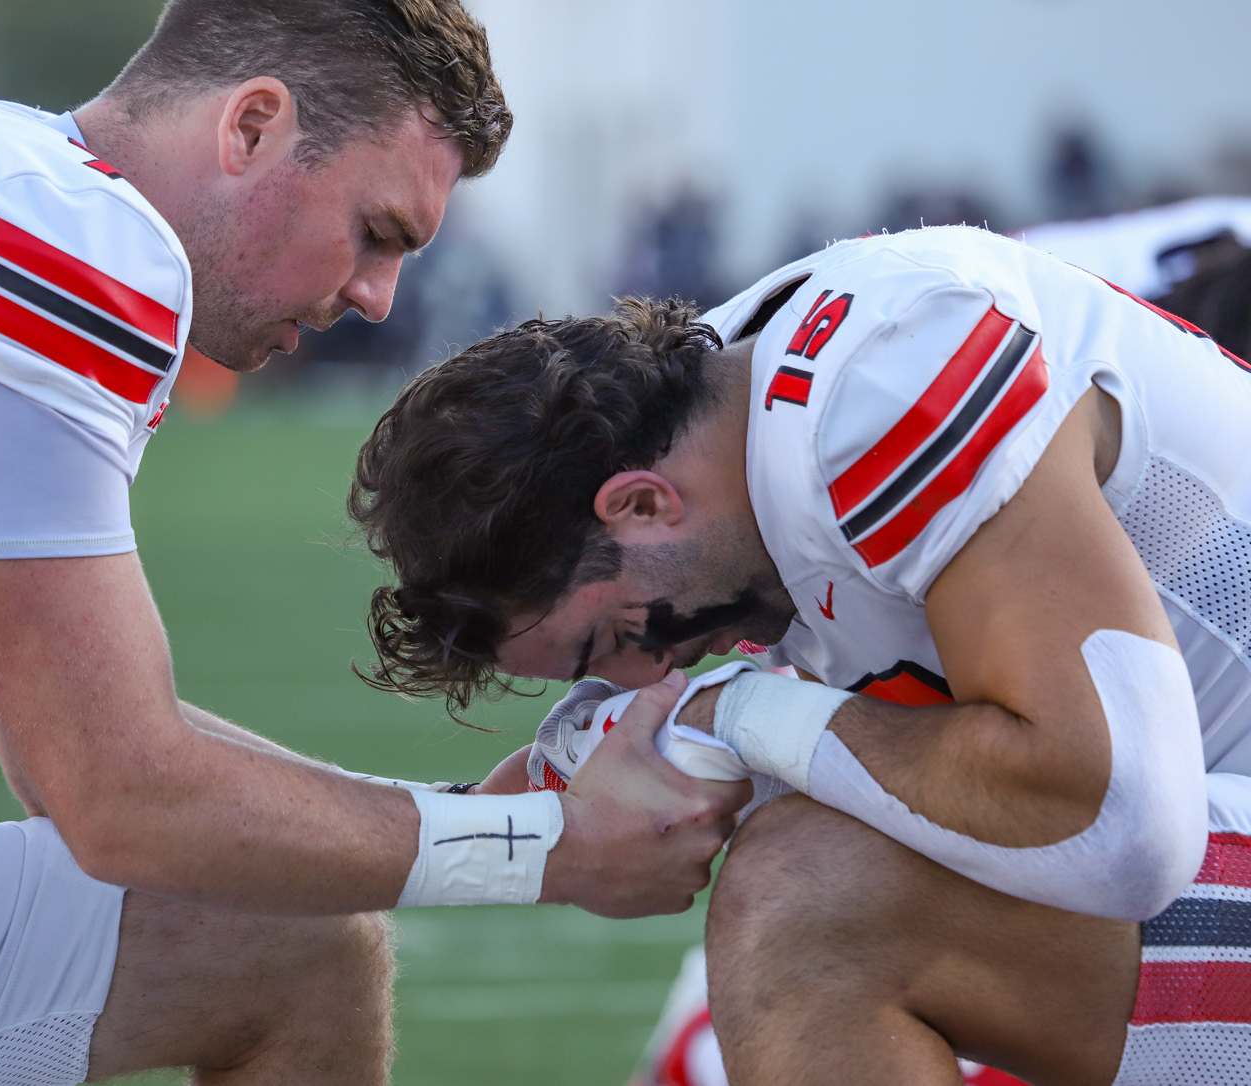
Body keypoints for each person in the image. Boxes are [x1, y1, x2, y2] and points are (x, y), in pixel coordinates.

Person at [0, 2, 738, 1082]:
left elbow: (71, 734)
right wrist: (540, 851)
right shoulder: (63, 243)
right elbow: (114, 792)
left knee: (295, 947)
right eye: (374, 230)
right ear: (252, 127)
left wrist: (466, 814)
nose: (376, 295)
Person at [350, 223, 1251, 1083]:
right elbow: (921, 760)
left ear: (642, 504)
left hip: (1163, 811)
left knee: (810, 900)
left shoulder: (884, 380)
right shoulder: (734, 434)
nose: (649, 672)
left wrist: (739, 719)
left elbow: (1123, 822)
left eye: (614, 638)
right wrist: (561, 797)